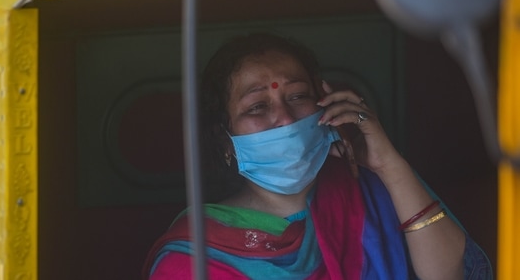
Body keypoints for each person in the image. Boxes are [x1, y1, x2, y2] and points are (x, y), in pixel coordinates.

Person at [143, 33, 492, 279]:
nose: (283, 117)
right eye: (258, 106)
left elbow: (451, 274)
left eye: (297, 97)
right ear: (225, 138)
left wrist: (389, 164)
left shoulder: (371, 190)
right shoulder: (194, 255)